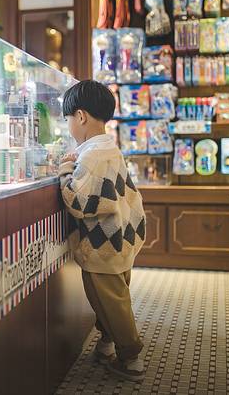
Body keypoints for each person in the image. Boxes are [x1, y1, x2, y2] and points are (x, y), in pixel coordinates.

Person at [58, 80, 146, 382]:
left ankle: (131, 358)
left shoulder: (91, 156)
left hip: (103, 243)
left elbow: (78, 202)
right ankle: (107, 344)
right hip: (121, 236)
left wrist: (65, 170)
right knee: (111, 298)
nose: (69, 125)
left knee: (111, 301)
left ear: (80, 116)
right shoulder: (109, 148)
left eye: (68, 119)